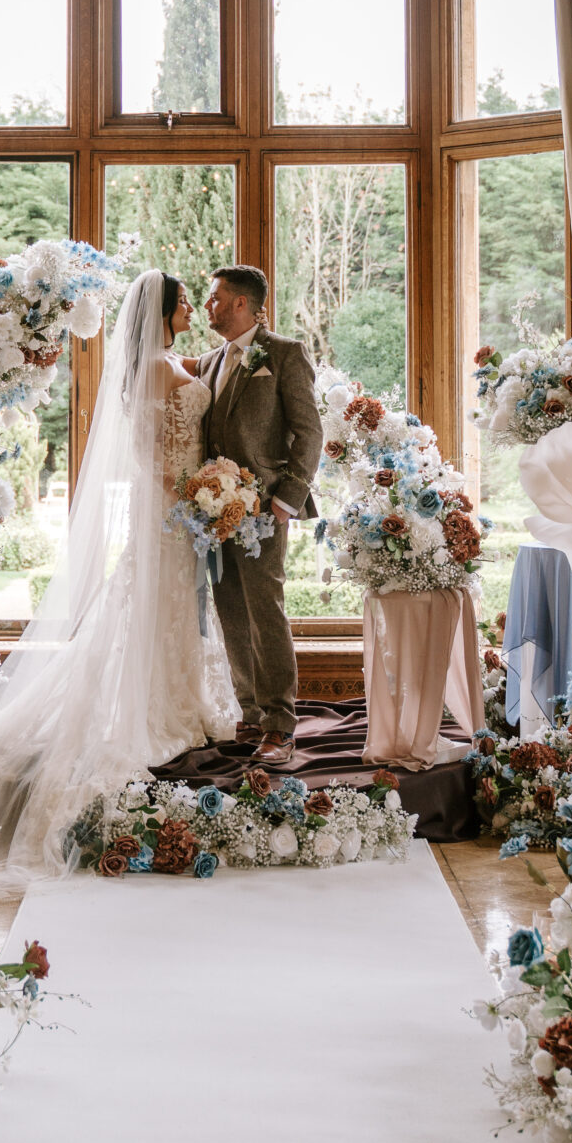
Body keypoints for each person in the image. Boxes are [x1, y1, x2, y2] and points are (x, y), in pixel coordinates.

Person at [0, 268, 238, 876]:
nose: (191, 308)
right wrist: (194, 493)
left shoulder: (169, 362)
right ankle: (166, 707)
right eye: (184, 302)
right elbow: (150, 451)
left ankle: (187, 698)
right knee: (159, 606)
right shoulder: (157, 370)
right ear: (160, 313)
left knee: (174, 609)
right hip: (174, 511)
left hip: (185, 510)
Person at [196, 266, 323, 769]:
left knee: (265, 611)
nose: (209, 306)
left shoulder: (285, 354)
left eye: (215, 298)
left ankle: (280, 724)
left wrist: (285, 499)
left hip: (266, 510)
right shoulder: (208, 361)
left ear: (243, 304)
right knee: (230, 610)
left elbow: (310, 432)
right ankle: (249, 713)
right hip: (214, 514)